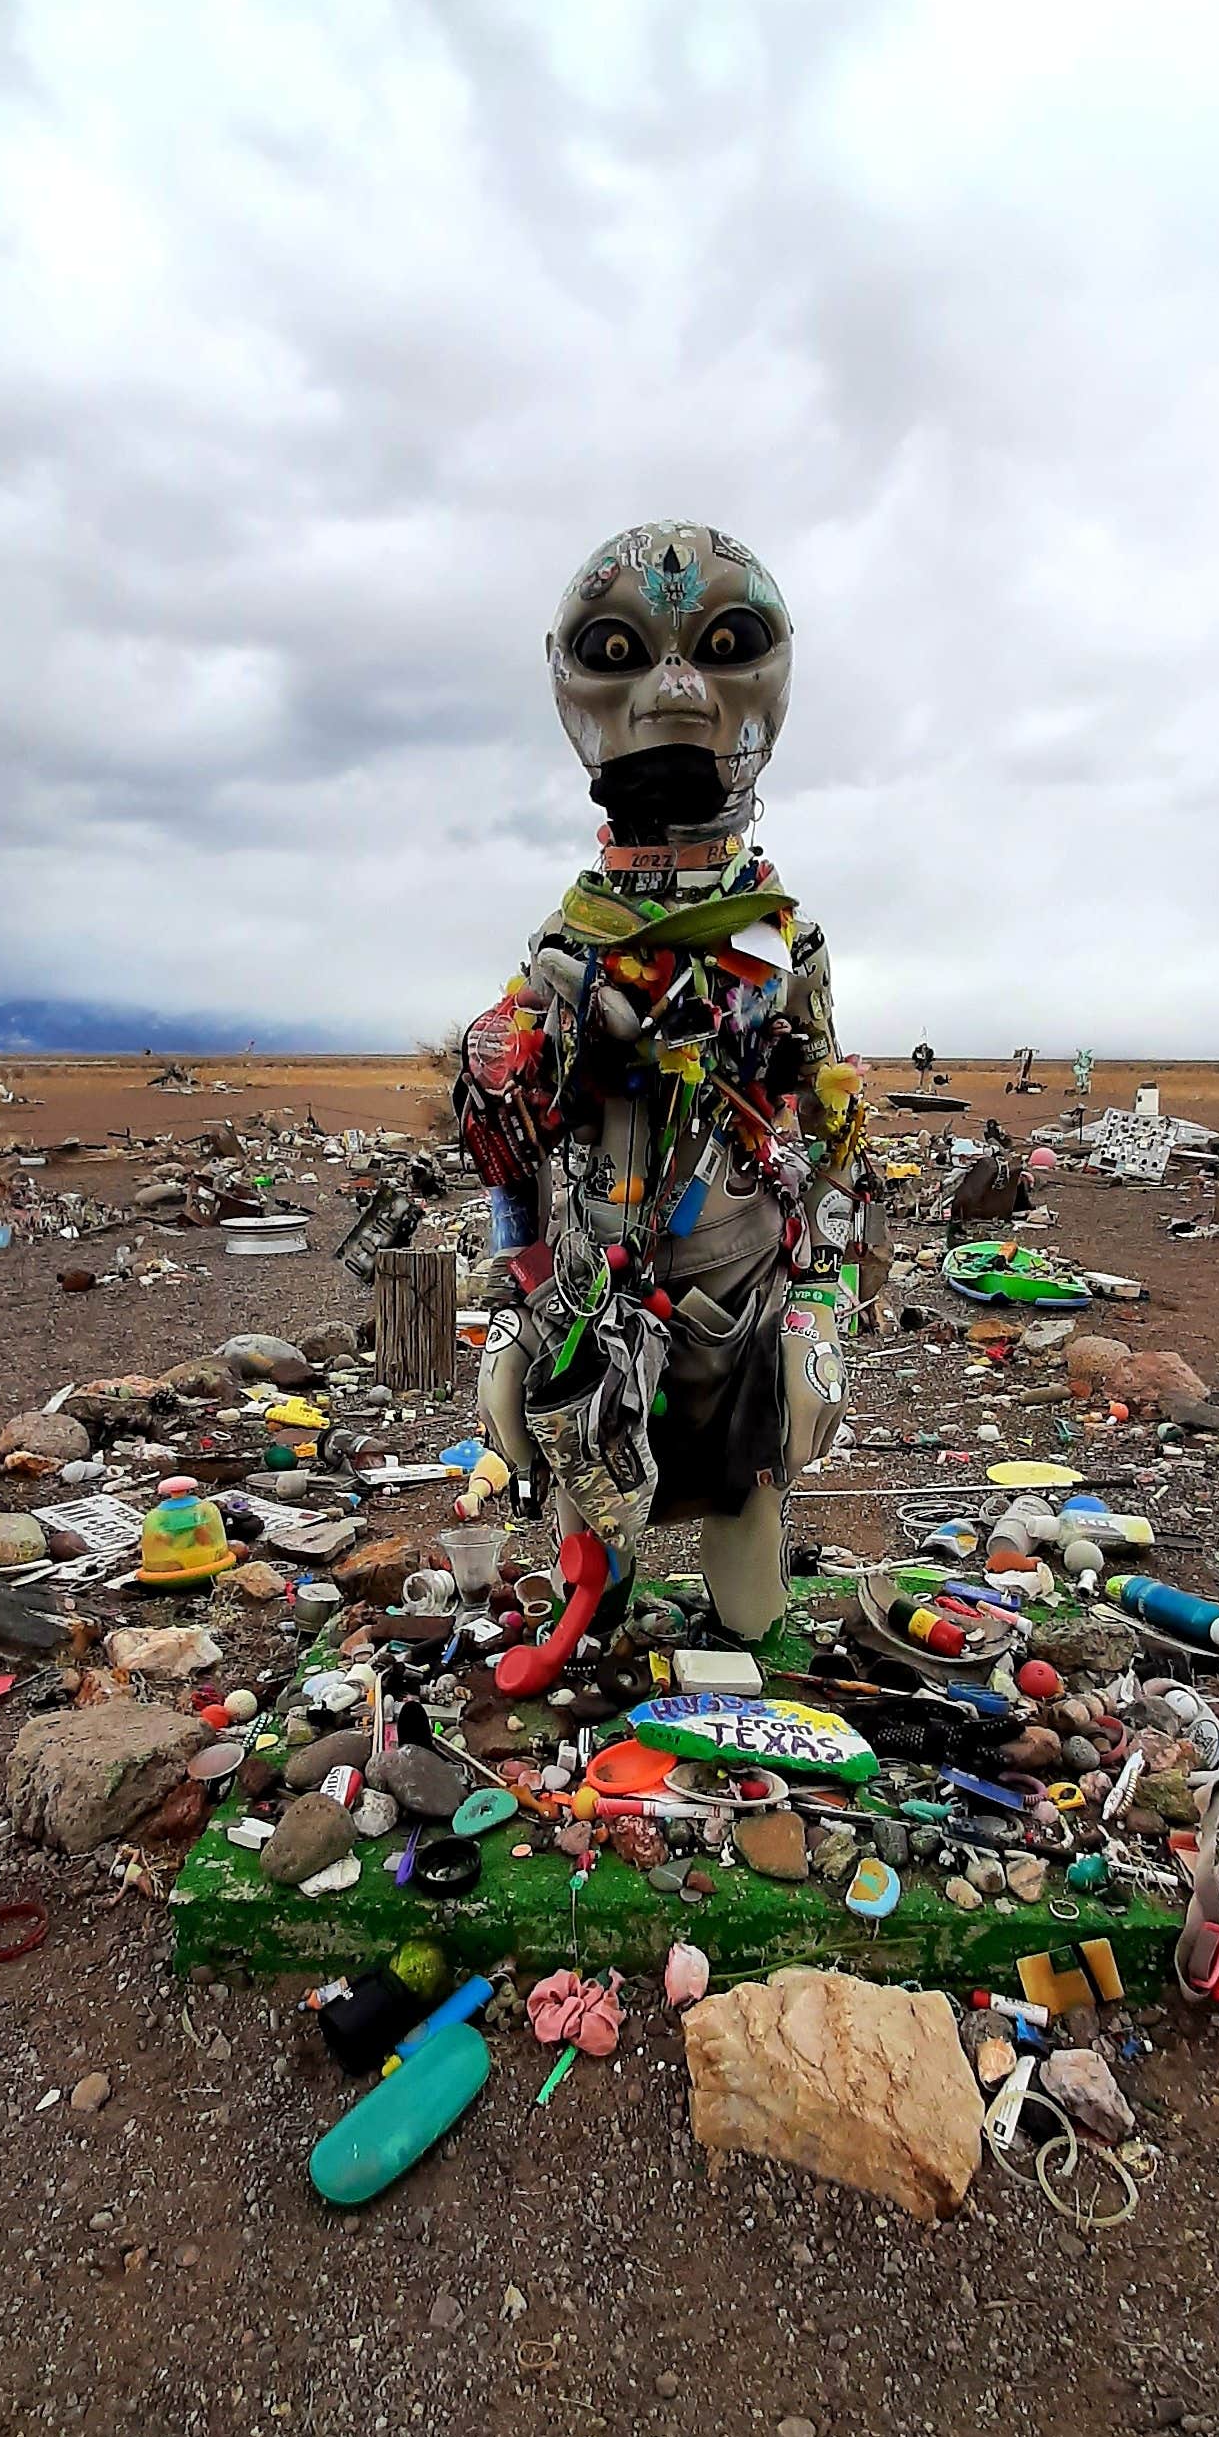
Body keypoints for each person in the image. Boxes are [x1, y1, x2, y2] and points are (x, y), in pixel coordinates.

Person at [457, 520, 874, 1662]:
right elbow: (511, 1152)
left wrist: (823, 1298)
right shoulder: (565, 942)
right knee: (596, 1574)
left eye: (724, 643)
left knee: (749, 1594)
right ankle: (605, 1608)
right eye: (624, 648)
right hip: (597, 1302)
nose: (680, 688)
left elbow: (834, 1126)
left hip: (737, 1305)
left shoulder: (780, 940)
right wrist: (515, 1084)